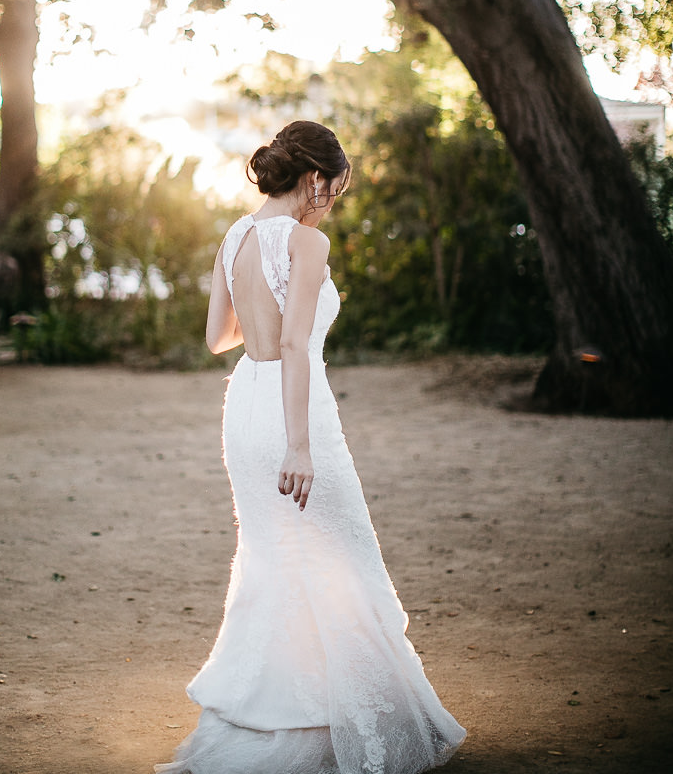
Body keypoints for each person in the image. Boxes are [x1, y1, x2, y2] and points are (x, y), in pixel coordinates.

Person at [156, 121, 466, 774]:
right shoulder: (305, 243)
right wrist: (298, 445)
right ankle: (345, 730)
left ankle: (283, 721)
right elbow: (296, 345)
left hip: (245, 404)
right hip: (294, 416)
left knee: (274, 556)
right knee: (341, 558)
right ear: (315, 178)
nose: (335, 198)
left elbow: (218, 339)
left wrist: (259, 322)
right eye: (337, 185)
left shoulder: (234, 236)